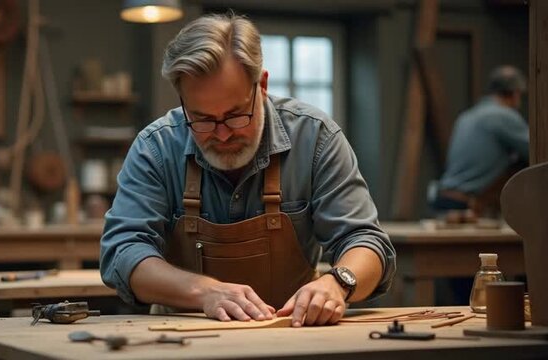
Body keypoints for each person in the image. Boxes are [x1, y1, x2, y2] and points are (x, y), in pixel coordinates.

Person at [99, 13, 395, 327]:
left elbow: (366, 242)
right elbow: (122, 253)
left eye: (235, 115)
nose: (222, 134)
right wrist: (203, 292)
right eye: (202, 119)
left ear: (262, 85)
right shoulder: (155, 149)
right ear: (182, 99)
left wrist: (338, 283)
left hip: (293, 336)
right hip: (181, 340)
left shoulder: (315, 139)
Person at [431, 65, 529, 217]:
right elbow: (537, 151)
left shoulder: (467, 116)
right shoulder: (504, 116)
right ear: (515, 94)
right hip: (465, 205)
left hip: (444, 198)